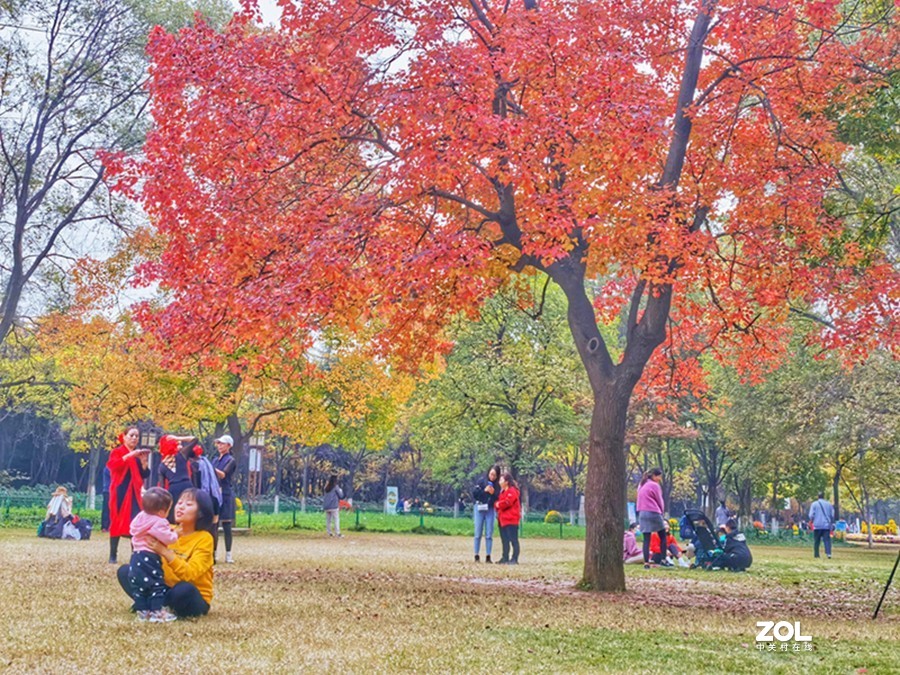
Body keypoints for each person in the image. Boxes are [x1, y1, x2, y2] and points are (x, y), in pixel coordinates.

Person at [117, 488, 215, 618]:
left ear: (201, 513)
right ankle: (153, 606)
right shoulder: (164, 529)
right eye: (179, 503)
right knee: (126, 571)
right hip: (162, 589)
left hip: (191, 595)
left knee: (184, 589)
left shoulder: (204, 538)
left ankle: (154, 605)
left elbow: (190, 574)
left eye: (188, 504)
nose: (181, 507)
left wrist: (164, 551)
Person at [128, 487, 178, 622]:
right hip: (150, 557)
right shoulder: (160, 521)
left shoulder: (140, 518)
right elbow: (168, 538)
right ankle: (156, 612)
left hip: (136, 556)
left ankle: (142, 612)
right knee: (156, 584)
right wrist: (175, 534)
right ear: (162, 511)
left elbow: (134, 530)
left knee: (138, 585)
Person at [107, 426, 150, 564]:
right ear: (124, 437)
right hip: (120, 490)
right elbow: (113, 466)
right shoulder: (117, 452)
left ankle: (135, 554)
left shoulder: (138, 456)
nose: (134, 438)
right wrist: (129, 455)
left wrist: (144, 464)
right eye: (131, 435)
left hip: (135, 493)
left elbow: (144, 475)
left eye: (136, 436)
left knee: (136, 521)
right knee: (116, 520)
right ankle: (113, 555)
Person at [158, 434, 199, 522]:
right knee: (190, 510)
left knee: (175, 515)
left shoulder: (161, 466)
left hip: (173, 489)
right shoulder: (181, 455)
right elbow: (195, 439)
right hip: (187, 486)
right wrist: (178, 438)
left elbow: (162, 487)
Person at [212, 435, 237, 563]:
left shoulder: (230, 460)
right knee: (214, 525)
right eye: (218, 443)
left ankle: (228, 555)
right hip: (216, 493)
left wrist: (210, 468)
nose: (219, 446)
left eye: (222, 443)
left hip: (226, 494)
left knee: (227, 525)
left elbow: (223, 475)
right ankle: (213, 553)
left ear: (229, 446)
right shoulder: (215, 460)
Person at [636, 468, 667, 568]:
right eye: (659, 476)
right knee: (663, 536)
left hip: (642, 513)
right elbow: (659, 500)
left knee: (646, 539)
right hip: (653, 512)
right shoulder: (654, 485)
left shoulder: (641, 485)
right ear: (654, 476)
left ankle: (646, 563)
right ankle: (663, 559)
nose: (660, 479)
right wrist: (661, 512)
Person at [472, 465, 500, 563]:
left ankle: (488, 556)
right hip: (479, 508)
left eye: (494, 475)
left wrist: (493, 494)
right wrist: (484, 491)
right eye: (491, 474)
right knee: (478, 533)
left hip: (490, 509)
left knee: (489, 534)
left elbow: (497, 498)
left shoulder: (497, 485)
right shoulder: (481, 481)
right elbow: (475, 494)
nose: (492, 477)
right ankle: (476, 555)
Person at [495, 472, 521, 565]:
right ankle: (505, 557)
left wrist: (499, 504)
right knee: (504, 540)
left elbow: (507, 502)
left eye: (501, 480)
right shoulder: (502, 492)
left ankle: (514, 558)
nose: (499, 482)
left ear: (506, 481)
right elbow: (497, 503)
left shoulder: (512, 491)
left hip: (511, 520)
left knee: (513, 539)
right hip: (502, 520)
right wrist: (498, 504)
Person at [809, 492, 835, 559]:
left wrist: (812, 520)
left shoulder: (814, 504)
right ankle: (828, 553)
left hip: (817, 525)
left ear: (818, 496)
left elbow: (811, 515)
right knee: (827, 540)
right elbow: (832, 515)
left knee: (816, 540)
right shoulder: (829, 504)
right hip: (826, 525)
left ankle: (816, 554)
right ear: (824, 496)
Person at [101, 466, 111, 532]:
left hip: (110, 490)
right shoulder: (108, 468)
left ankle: (108, 526)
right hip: (108, 491)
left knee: (109, 509)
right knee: (106, 509)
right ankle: (105, 526)